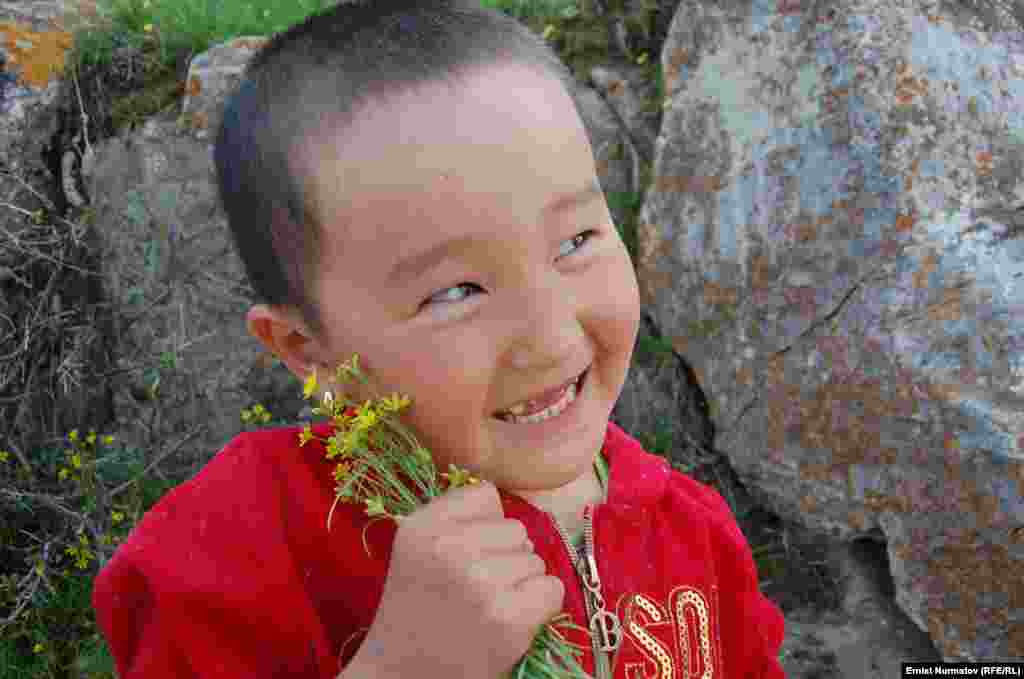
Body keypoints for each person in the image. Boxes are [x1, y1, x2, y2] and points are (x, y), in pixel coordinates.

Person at [91, 1, 786, 677]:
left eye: (576, 240)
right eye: (456, 292)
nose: (550, 337)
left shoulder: (697, 534)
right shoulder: (238, 549)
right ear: (310, 351)